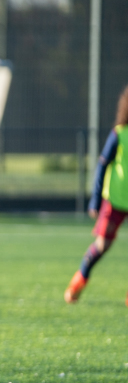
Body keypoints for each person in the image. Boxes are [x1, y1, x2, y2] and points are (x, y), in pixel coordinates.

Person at [64, 84, 128, 307]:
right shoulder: (120, 134)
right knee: (102, 245)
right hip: (117, 200)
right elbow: (102, 165)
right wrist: (95, 199)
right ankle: (78, 281)